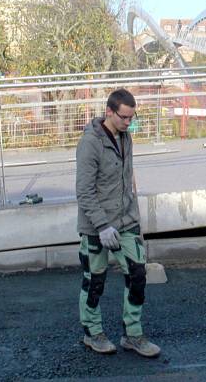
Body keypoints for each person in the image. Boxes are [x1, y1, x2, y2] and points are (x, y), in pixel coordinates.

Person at [75, 88, 161, 358]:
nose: (128, 123)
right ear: (109, 112)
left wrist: (135, 218)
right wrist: (102, 226)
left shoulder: (126, 137)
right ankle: (92, 333)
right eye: (124, 117)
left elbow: (128, 179)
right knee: (95, 281)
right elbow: (84, 191)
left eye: (132, 118)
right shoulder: (90, 143)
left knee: (137, 276)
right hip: (96, 227)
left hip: (126, 222)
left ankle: (132, 336)